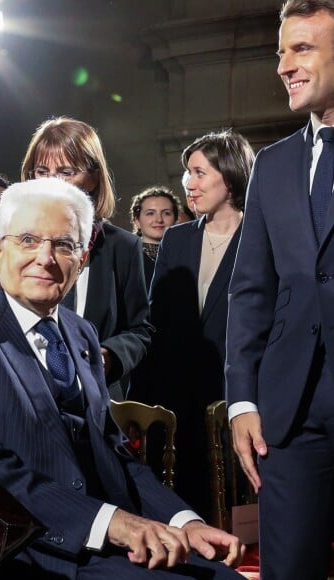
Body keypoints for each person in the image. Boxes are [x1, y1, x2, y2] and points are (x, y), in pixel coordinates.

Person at [0, 177, 244, 579]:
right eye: (28, 240)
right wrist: (113, 523)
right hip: (22, 541)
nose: (45, 258)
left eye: (63, 245)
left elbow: (115, 451)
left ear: (82, 259)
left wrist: (183, 521)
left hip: (107, 533)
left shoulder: (81, 331)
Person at [225, 1, 334, 577]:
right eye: (280, 52)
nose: (284, 66)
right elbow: (251, 292)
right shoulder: (272, 164)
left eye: (302, 49)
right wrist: (242, 399)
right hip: (289, 418)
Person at [0, 116, 152, 398]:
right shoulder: (0, 236)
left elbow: (139, 330)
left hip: (95, 398)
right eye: (42, 171)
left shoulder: (123, 246)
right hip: (12, 392)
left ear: (93, 178)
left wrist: (108, 357)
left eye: (66, 172)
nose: (52, 183)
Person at [131, 130, 254, 520]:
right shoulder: (177, 238)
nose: (189, 183)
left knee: (237, 512)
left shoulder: (260, 236)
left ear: (230, 175)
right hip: (177, 399)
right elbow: (158, 319)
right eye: (187, 173)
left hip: (234, 394)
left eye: (199, 172)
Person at [129, 186, 180, 291]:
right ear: (137, 221)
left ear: (176, 219)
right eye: (150, 213)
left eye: (166, 213)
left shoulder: (187, 255)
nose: (159, 219)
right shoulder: (125, 258)